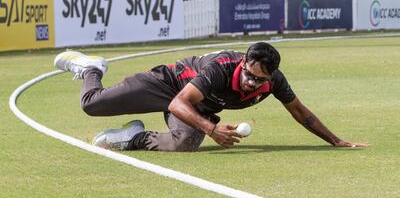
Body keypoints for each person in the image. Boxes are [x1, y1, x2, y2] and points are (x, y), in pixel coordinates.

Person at [54, 42, 369, 151]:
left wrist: (336, 141)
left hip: (195, 104)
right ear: (243, 63)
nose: (249, 82)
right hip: (168, 84)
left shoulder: (273, 83)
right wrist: (211, 129)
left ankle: (132, 137)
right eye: (248, 73)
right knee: (91, 104)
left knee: (184, 144)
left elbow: (301, 112)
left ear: (269, 77)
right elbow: (178, 101)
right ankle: (92, 67)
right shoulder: (221, 68)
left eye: (258, 79)